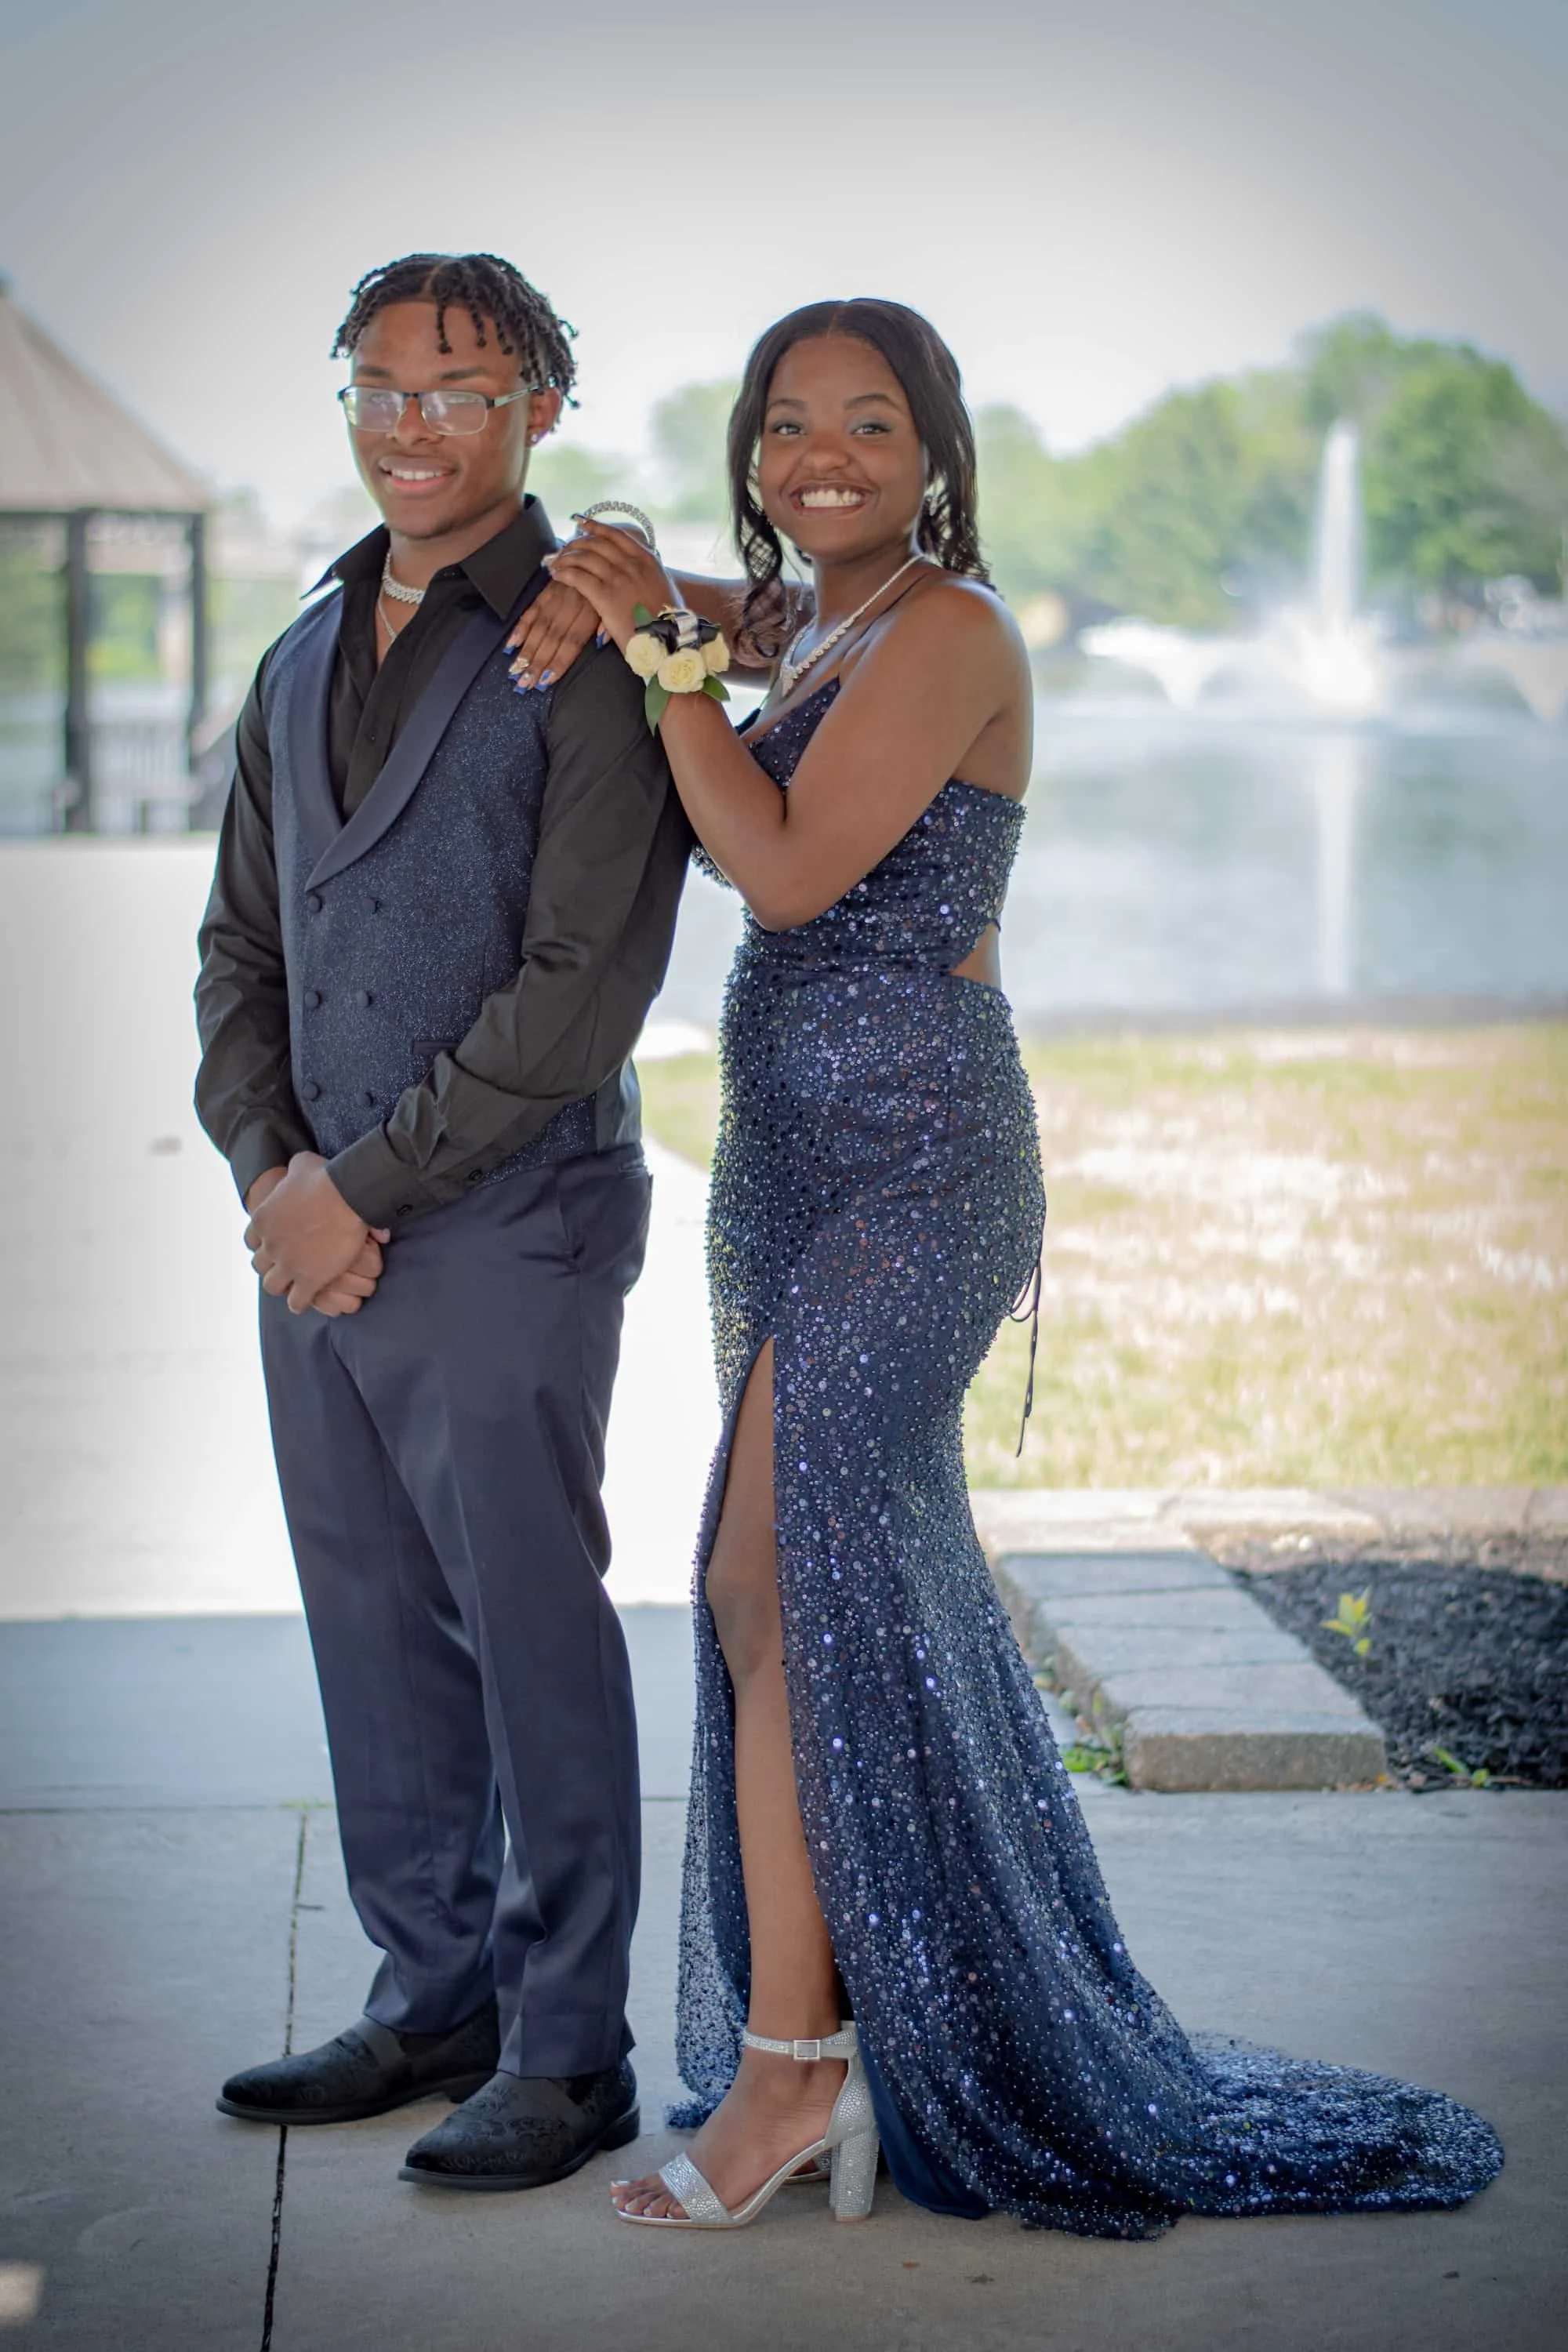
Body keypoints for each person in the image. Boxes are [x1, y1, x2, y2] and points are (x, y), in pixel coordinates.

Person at [509, 297, 1504, 2234]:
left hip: (921, 1172)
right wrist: (609, 567)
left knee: (768, 1580)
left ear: (936, 453)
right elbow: (676, 600)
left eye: (868, 423)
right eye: (787, 424)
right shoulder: (816, 623)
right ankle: (840, 2039)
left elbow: (784, 867)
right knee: (796, 1592)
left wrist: (661, 656)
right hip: (786, 1161)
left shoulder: (950, 631)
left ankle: (795, 2077)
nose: (822, 456)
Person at [193, 252, 691, 2192]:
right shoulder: (296, 653)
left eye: (461, 388)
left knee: (526, 1626)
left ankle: (569, 2052)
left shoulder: (592, 645)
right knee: (371, 1618)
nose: (414, 424)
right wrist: (271, 1175)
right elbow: (239, 955)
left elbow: (582, 991)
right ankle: (433, 2000)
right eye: (380, 386)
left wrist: (358, 1189)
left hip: (510, 1209)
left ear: (538, 409)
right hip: (311, 1224)